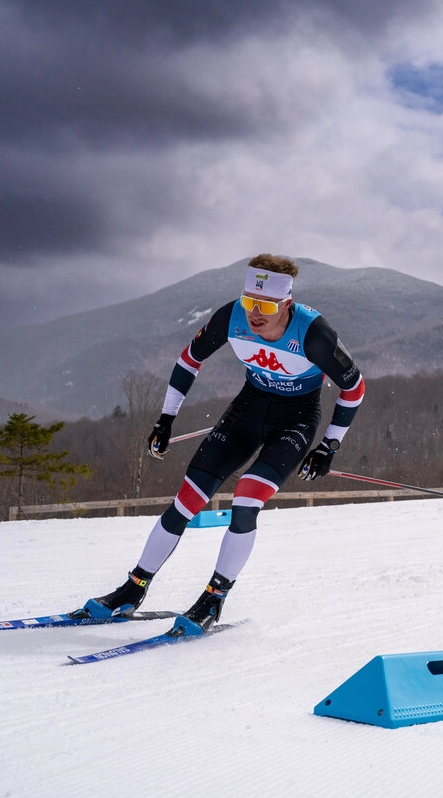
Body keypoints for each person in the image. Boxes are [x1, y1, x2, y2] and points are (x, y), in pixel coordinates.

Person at [79, 254, 365, 634]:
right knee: (186, 500)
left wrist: (329, 445)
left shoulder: (314, 333)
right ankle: (133, 589)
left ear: (288, 305)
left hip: (295, 420)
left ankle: (214, 596)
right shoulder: (231, 317)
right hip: (247, 409)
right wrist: (165, 419)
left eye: (265, 305)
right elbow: (188, 360)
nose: (254, 314)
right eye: (249, 302)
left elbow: (354, 387)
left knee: (246, 499)